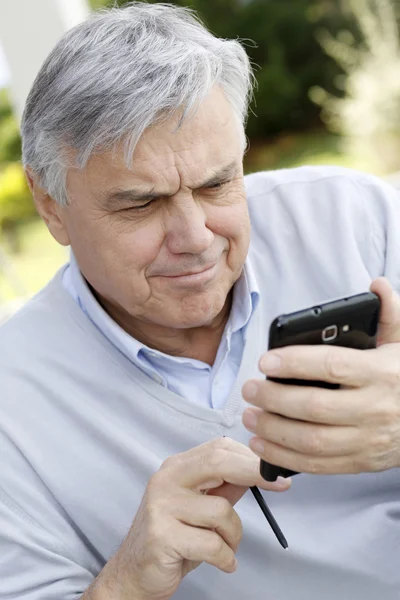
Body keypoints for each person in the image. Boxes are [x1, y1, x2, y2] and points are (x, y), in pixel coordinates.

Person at [1, 2, 400, 599]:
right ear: (50, 203)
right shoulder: (12, 405)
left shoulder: (356, 219)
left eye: (218, 183)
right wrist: (127, 583)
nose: (195, 239)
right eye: (140, 203)